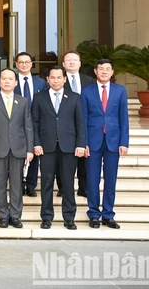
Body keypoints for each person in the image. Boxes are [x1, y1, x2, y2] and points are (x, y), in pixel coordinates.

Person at [33, 66, 86, 230]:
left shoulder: (75, 97)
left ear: (64, 79)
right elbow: (34, 122)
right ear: (47, 79)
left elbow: (80, 123)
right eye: (52, 77)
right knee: (47, 183)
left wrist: (80, 144)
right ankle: (47, 217)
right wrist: (36, 143)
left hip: (69, 147)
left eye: (59, 77)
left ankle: (69, 218)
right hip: (46, 146)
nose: (56, 80)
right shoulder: (39, 97)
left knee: (68, 183)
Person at [0, 68, 34, 229]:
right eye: (4, 78)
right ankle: (3, 215)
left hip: (18, 148)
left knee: (17, 184)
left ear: (16, 82)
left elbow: (28, 127)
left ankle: (16, 215)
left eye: (10, 79)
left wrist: (30, 149)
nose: (7, 81)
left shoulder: (23, 101)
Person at [82, 58, 129, 229]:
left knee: (111, 179)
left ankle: (108, 214)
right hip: (92, 142)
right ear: (95, 71)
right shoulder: (86, 92)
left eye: (107, 69)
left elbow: (124, 118)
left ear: (112, 72)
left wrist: (124, 142)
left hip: (113, 142)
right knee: (92, 180)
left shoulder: (120, 91)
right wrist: (84, 142)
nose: (104, 71)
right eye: (100, 69)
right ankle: (94, 214)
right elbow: (83, 118)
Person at [60, 50, 93, 198]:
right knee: (64, 160)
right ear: (63, 64)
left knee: (84, 158)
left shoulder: (89, 81)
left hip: (84, 124)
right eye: (68, 60)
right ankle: (63, 187)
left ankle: (83, 187)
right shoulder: (58, 79)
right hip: (64, 125)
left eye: (75, 60)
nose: (72, 62)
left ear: (80, 63)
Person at [14, 51, 46, 197]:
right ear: (16, 64)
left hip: (36, 124)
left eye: (27, 62)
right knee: (17, 155)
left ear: (31, 64)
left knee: (34, 153)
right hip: (15, 124)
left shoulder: (40, 82)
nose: (24, 64)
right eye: (21, 62)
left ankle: (31, 185)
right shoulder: (11, 81)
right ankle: (18, 184)